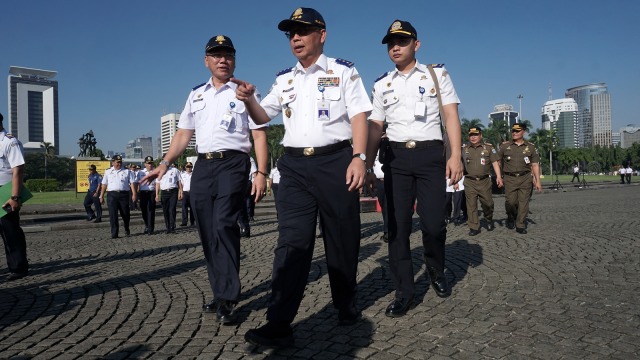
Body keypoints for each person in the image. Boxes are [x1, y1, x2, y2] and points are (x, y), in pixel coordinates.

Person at [233, 7, 372, 348]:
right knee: (292, 243)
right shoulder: (284, 79)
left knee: (342, 239)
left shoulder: (344, 71)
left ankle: (345, 301)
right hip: (294, 167)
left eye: (302, 30)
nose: (295, 37)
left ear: (321, 35)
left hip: (336, 161)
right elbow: (263, 115)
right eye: (290, 32)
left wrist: (359, 156)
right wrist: (250, 99)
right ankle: (279, 322)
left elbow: (359, 115)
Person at [140, 34, 267, 326]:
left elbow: (259, 133)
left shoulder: (246, 92)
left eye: (229, 55)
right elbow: (184, 133)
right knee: (208, 231)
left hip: (233, 163)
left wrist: (260, 173)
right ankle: (220, 290)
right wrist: (164, 163)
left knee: (224, 223)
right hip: (203, 167)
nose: (224, 59)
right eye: (217, 55)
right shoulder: (196, 94)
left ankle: (227, 296)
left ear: (234, 60)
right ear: (207, 61)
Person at [365, 20, 463, 318]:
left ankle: (435, 268)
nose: (395, 47)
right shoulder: (382, 84)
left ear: (416, 45)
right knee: (397, 229)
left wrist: (455, 155)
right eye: (390, 43)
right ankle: (404, 291)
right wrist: (367, 164)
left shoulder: (436, 75)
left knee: (433, 224)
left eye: (402, 41)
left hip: (431, 156)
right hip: (396, 160)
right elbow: (375, 127)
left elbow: (450, 115)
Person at [496, 123, 542, 234]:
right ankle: (511, 216)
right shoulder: (504, 146)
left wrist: (538, 181)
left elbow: (535, 164)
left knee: (523, 202)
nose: (514, 133)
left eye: (517, 131)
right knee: (511, 202)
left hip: (525, 178)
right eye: (513, 131)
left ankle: (520, 224)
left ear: (523, 132)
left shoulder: (530, 147)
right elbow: (497, 161)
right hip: (509, 178)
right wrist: (499, 176)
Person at [0, 112, 28, 281]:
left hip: (5, 191)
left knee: (9, 230)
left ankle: (18, 267)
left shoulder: (10, 142)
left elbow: (18, 169)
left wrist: (15, 197)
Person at [462, 127, 502, 236]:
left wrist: (498, 176)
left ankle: (488, 218)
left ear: (481, 135)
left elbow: (494, 163)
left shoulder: (488, 148)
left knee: (488, 203)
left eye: (476, 134)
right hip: (469, 181)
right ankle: (474, 227)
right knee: (471, 206)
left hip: (484, 181)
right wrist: (456, 180)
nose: (473, 137)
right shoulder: (464, 149)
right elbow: (460, 165)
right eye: (471, 135)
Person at [99, 155, 137, 238]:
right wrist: (101, 195)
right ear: (113, 163)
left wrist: (134, 194)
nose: (119, 164)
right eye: (117, 162)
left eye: (120, 162)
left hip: (123, 195)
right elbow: (104, 184)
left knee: (125, 214)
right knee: (113, 214)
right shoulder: (108, 171)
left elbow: (132, 183)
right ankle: (114, 233)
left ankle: (126, 228)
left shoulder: (127, 171)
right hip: (112, 195)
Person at [156, 161, 181, 234]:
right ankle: (168, 227)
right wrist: (157, 194)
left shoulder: (174, 170)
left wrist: (181, 191)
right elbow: (157, 183)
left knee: (172, 209)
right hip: (164, 192)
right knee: (165, 210)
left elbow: (179, 181)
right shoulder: (159, 170)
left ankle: (172, 227)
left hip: (173, 191)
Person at [138, 156, 157, 235]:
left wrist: (156, 194)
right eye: (148, 163)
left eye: (151, 163)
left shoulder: (155, 172)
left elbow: (157, 184)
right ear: (145, 164)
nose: (150, 165)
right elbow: (137, 182)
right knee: (144, 211)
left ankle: (151, 228)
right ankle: (146, 225)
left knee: (151, 211)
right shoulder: (140, 172)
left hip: (151, 192)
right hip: (143, 193)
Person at [179, 162, 195, 226]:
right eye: (187, 167)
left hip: (192, 192)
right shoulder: (182, 175)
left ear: (192, 167)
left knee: (192, 208)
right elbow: (181, 184)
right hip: (185, 192)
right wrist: (180, 192)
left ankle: (192, 221)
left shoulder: (194, 174)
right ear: (185, 167)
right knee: (184, 207)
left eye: (190, 167)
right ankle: (184, 221)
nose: (189, 168)